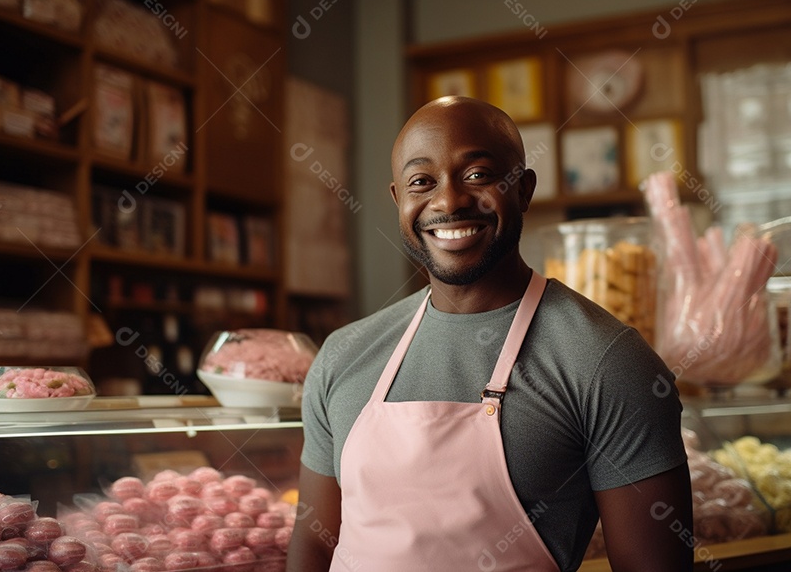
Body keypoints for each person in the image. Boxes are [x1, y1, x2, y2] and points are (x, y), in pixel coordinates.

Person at [287, 96, 693, 571]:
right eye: (422, 182)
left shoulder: (607, 360)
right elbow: (316, 545)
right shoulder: (344, 354)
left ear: (523, 189)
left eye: (477, 175)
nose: (449, 201)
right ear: (399, 200)